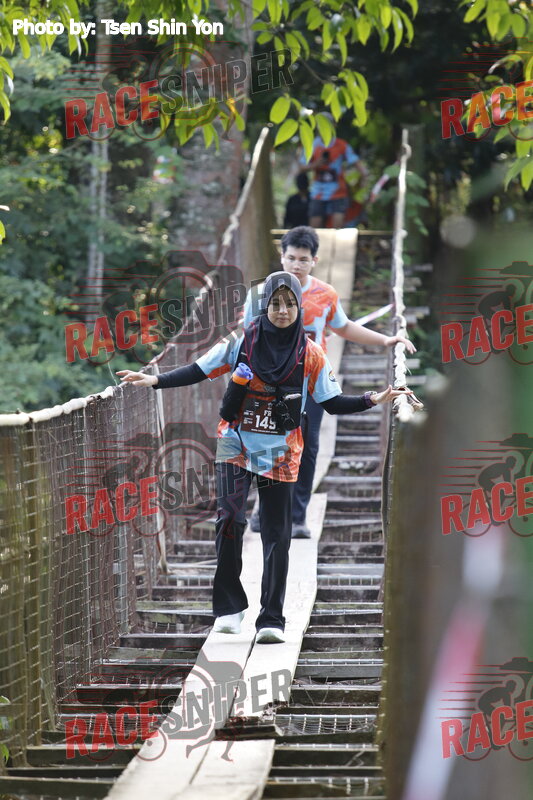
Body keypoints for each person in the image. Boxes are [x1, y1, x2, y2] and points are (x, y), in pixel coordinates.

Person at [117, 272, 410, 644]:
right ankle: (229, 608)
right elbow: (199, 369)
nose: (282, 311)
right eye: (275, 303)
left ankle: (271, 618)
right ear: (264, 305)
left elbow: (332, 403)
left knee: (277, 535)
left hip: (281, 454)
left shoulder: (311, 353)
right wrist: (155, 381)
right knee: (229, 521)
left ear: (299, 307)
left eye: (290, 304)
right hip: (235, 445)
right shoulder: (240, 341)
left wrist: (373, 398)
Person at [242, 226, 416, 539]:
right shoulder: (259, 294)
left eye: (303, 259)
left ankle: (297, 517)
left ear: (315, 260)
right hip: (270, 383)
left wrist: (386, 340)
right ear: (281, 257)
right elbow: (248, 338)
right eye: (291, 258)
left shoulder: (325, 294)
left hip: (312, 382)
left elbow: (344, 327)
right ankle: (264, 512)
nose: (296, 264)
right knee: (270, 445)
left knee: (307, 447)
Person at [298, 114, 368, 228]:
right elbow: (301, 167)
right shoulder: (312, 145)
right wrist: (315, 164)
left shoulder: (341, 145)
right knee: (315, 227)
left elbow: (356, 162)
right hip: (318, 192)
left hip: (338, 192)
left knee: (337, 228)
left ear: (333, 126)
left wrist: (364, 176)